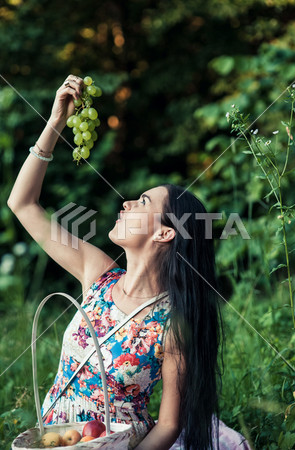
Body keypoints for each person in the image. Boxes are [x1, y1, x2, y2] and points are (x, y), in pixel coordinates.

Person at [7, 75, 252, 449]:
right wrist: (55, 122)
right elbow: (22, 204)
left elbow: (170, 423)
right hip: (55, 439)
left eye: (143, 202)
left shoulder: (173, 322)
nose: (126, 203)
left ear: (165, 233)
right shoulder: (98, 274)